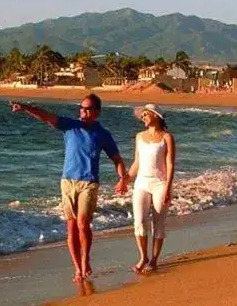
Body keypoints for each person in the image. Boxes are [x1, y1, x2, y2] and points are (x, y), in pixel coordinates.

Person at [11, 94, 128, 282]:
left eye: (88, 108)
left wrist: (123, 178)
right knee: (72, 226)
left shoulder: (103, 134)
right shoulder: (70, 125)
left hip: (89, 182)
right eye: (82, 107)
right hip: (67, 182)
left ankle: (85, 259)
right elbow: (46, 116)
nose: (83, 111)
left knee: (83, 223)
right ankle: (77, 269)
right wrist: (26, 108)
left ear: (97, 112)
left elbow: (117, 159)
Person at [125, 104, 176, 273]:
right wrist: (124, 180)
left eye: (146, 114)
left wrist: (168, 188)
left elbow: (170, 165)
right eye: (142, 115)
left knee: (158, 223)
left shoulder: (167, 137)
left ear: (156, 116)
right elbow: (137, 163)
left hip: (160, 184)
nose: (143, 117)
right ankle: (143, 257)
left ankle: (154, 260)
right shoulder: (139, 136)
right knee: (139, 222)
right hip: (141, 183)